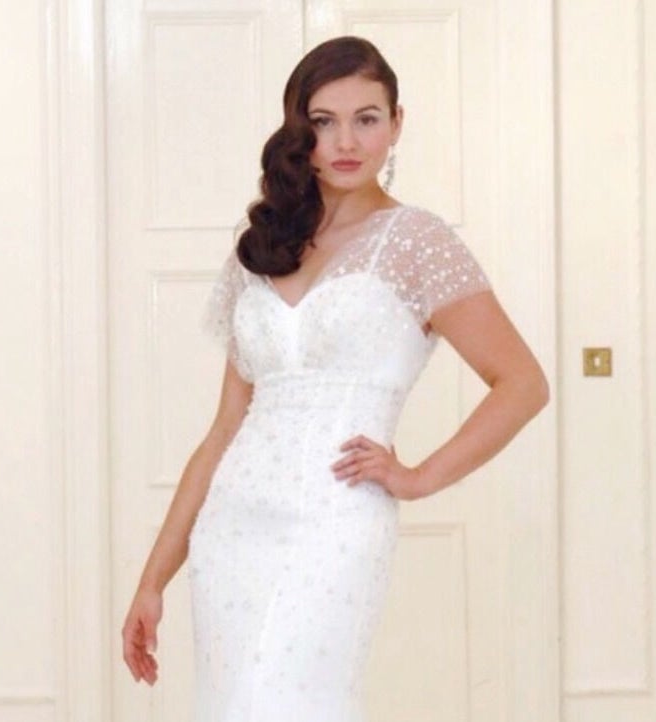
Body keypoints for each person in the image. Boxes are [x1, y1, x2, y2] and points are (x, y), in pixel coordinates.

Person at [122, 35, 549, 721]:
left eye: (366, 118)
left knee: (287, 701)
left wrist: (419, 476)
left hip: (334, 522)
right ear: (299, 132)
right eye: (323, 121)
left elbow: (523, 383)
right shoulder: (265, 244)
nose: (346, 141)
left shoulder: (417, 241)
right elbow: (223, 432)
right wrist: (152, 581)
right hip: (232, 526)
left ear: (397, 124)